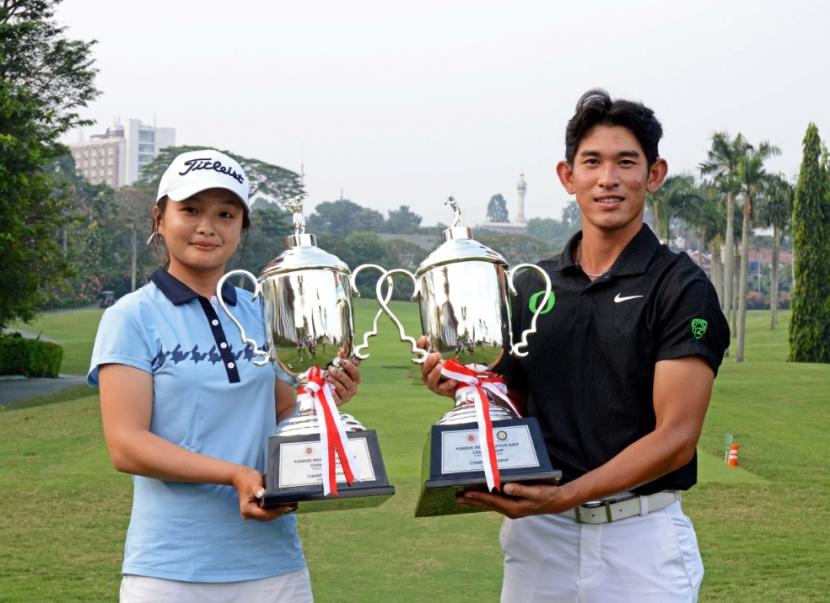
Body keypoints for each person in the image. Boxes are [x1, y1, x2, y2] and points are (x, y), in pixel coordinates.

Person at [420, 90, 729, 602]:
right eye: (592, 162)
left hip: (641, 538)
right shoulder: (529, 284)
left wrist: (565, 496)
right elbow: (515, 401)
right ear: (568, 177)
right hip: (541, 544)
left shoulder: (680, 287)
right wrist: (467, 389)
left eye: (626, 162)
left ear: (654, 175)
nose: (608, 178)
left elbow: (677, 435)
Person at [87, 149, 361, 602]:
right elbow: (127, 445)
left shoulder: (262, 312)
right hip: (171, 570)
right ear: (159, 217)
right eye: (190, 210)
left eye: (225, 214)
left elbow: (283, 409)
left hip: (274, 567)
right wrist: (234, 474)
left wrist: (324, 402)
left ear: (241, 228)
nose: (207, 226)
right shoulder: (132, 317)